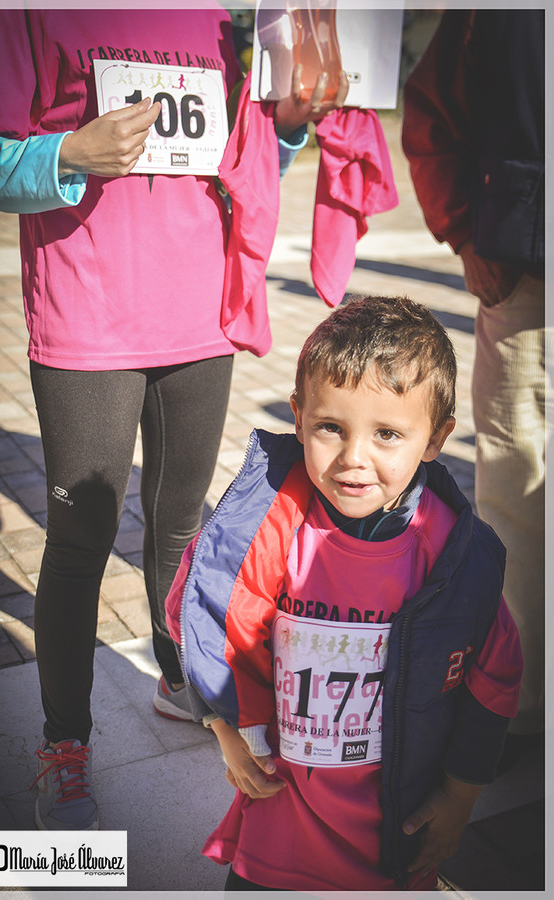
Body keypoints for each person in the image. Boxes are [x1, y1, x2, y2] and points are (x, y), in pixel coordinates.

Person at [0, 6, 349, 830]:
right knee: (80, 543)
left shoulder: (216, 15)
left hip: (201, 317)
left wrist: (287, 129)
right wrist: (66, 152)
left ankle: (186, 686)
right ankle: (64, 746)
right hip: (85, 318)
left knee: (181, 526)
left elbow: (236, 160)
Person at [165, 296, 523, 892]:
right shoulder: (268, 525)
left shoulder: (458, 558)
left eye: (387, 434)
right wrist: (226, 728)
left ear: (436, 439)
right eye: (331, 427)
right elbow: (204, 609)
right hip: (278, 829)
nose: (354, 459)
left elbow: (495, 676)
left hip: (395, 843)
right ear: (299, 417)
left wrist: (460, 798)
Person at [401, 10, 545, 762]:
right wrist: (462, 228)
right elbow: (430, 112)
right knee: (516, 492)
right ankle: (517, 705)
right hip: (527, 269)